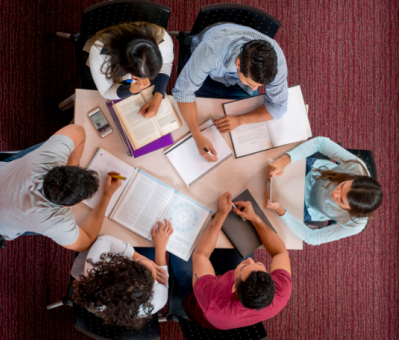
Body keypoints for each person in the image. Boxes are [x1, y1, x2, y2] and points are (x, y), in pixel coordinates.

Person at [170, 192, 292, 330]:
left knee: (177, 241)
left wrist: (221, 214)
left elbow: (201, 255)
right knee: (240, 234)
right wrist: (255, 219)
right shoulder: (281, 291)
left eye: (246, 266)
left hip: (199, 302)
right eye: (258, 264)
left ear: (233, 287)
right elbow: (280, 252)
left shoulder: (212, 301)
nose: (251, 260)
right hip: (230, 294)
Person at [172, 23, 288, 162]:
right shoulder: (211, 51)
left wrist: (240, 120)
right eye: (250, 83)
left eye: (259, 86)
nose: (253, 90)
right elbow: (183, 92)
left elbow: (278, 107)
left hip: (237, 80)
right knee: (190, 125)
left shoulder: (276, 62)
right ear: (238, 63)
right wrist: (197, 136)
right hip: (210, 73)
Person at [0, 124, 122, 252]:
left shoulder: (48, 158)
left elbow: (78, 130)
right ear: (67, 206)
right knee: (51, 231)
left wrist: (72, 170)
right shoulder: (52, 221)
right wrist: (107, 196)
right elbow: (85, 243)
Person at [265, 137, 383, 245]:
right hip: (312, 172)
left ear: (351, 211)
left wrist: (282, 212)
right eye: (342, 186)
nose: (334, 193)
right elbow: (321, 143)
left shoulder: (355, 224)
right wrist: (285, 160)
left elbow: (312, 238)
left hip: (309, 207)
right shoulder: (356, 168)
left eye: (341, 200)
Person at [71, 220, 173, 328]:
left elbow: (105, 239)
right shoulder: (158, 301)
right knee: (148, 246)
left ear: (120, 265)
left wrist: (141, 259)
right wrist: (160, 248)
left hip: (93, 288)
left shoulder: (97, 269)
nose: (150, 262)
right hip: (108, 307)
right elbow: (163, 278)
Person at [85, 21, 174, 118]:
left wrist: (158, 96)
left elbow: (166, 63)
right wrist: (130, 90)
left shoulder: (163, 39)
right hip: (105, 65)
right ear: (125, 68)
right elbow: (106, 91)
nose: (147, 79)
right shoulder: (100, 56)